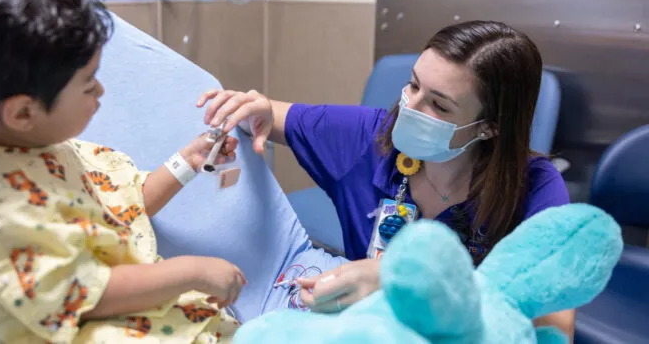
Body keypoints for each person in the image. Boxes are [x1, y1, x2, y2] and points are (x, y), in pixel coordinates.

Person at [0, 0, 245, 343]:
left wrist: (188, 161)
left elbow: (126, 208)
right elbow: (85, 294)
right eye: (88, 83)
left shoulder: (49, 150)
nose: (100, 91)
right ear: (23, 111)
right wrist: (190, 271)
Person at [197, 21, 575, 338]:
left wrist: (409, 285)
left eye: (439, 105)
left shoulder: (535, 189)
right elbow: (271, 114)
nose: (410, 107)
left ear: (490, 127)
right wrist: (251, 109)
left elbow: (554, 329)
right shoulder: (370, 138)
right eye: (413, 85)